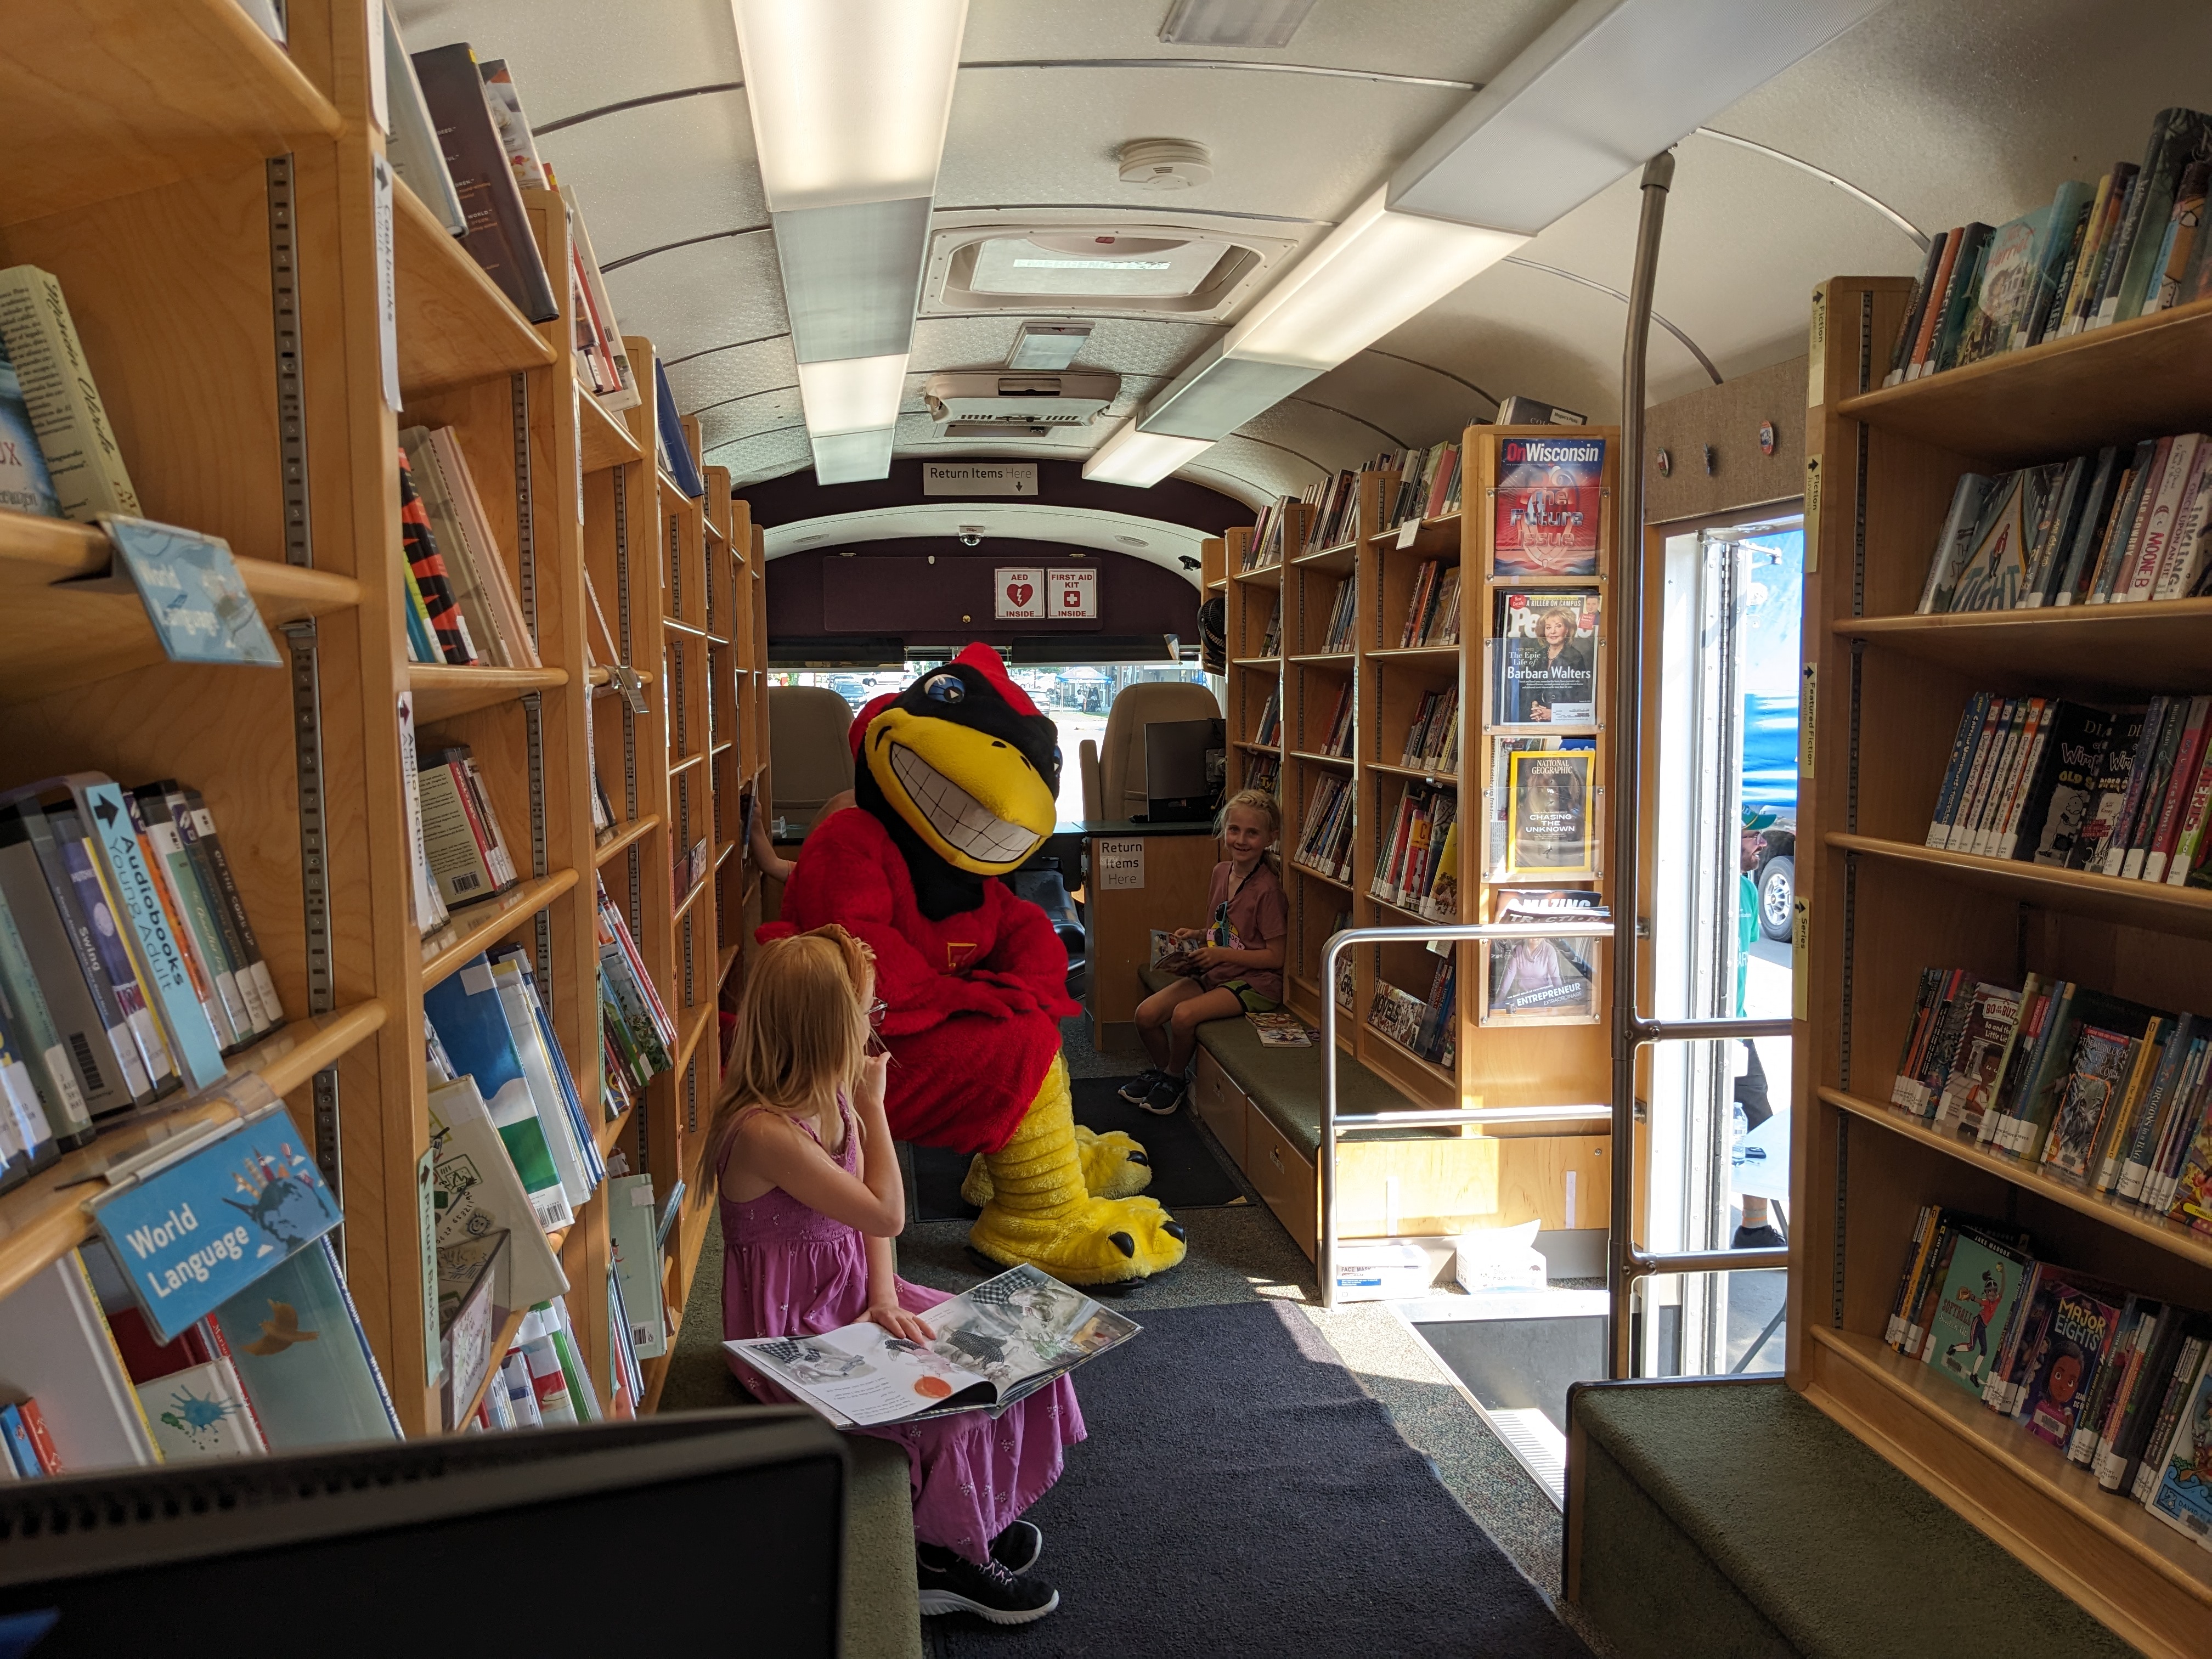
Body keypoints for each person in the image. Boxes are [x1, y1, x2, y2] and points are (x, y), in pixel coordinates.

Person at [714, 923, 1078, 1626]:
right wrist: (877, 1107)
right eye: (868, 1015)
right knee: (948, 1413)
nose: (877, 1028)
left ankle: (972, 1519)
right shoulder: (765, 1130)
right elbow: (886, 1213)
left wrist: (883, 1295)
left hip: (848, 1296)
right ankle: (940, 1561)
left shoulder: (830, 1094)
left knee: (1019, 1355)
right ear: (825, 1029)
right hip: (792, 1335)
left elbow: (865, 1230)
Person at [1122, 789, 1288, 1115]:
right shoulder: (1220, 872)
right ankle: (1165, 1071)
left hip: (1255, 983)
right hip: (1218, 971)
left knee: (1184, 1015)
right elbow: (1223, 928)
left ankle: (1174, 1079)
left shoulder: (1268, 890)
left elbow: (1275, 957)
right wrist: (1198, 937)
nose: (1241, 840)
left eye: (1252, 833)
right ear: (1224, 831)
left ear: (1271, 838)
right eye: (1234, 830)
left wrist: (1221, 955)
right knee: (1146, 1014)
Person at [1733, 807, 1784, 1251]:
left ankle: (1753, 1226)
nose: (1761, 844)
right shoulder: (1707, 890)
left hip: (1739, 1029)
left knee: (1757, 1125)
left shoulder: (1748, 892)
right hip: (1705, 1028)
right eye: (1753, 835)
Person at [1511, 605, 1593, 723]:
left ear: (1567, 630)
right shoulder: (1540, 655)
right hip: (1537, 719)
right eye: (1548, 627)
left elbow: (1580, 697)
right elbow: (1530, 688)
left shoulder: (1574, 657)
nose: (1552, 632)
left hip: (1563, 722)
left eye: (1558, 626)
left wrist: (1554, 714)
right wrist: (1534, 707)